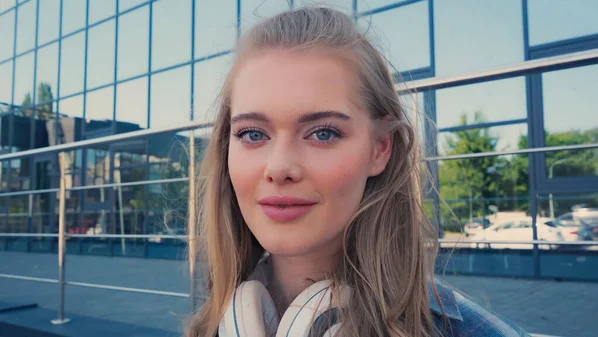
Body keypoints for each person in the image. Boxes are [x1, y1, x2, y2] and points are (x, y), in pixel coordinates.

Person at [186, 7, 530, 337]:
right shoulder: (213, 327)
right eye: (253, 134)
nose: (279, 168)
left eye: (323, 133)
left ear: (380, 149)